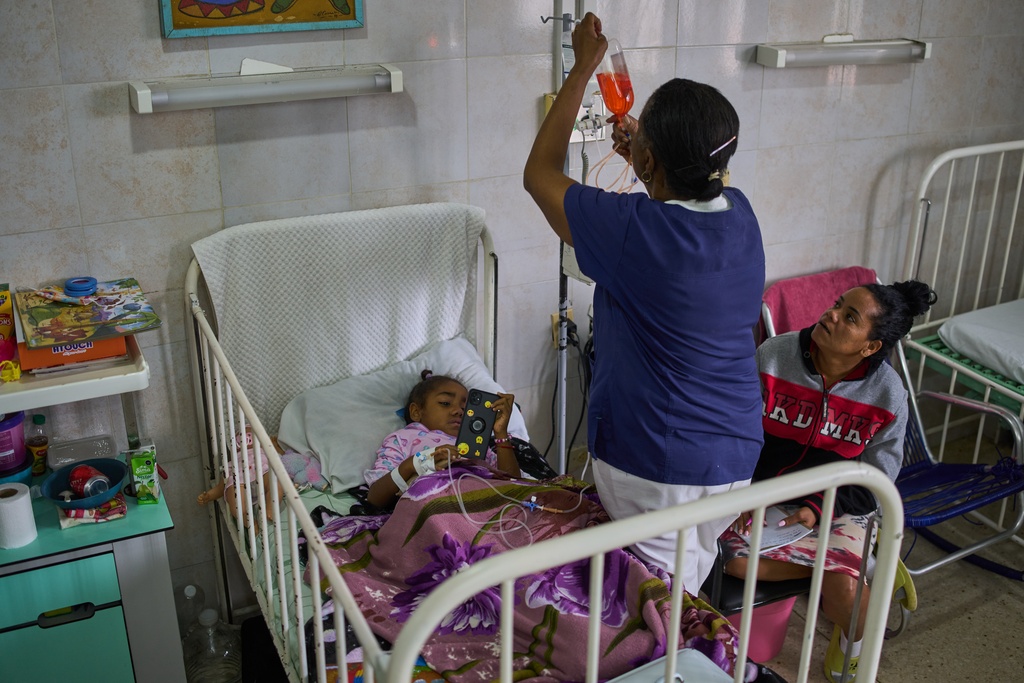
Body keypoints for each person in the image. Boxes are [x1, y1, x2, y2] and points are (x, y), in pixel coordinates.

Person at [523, 12, 766, 592]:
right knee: (686, 584)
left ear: (652, 162)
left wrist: (582, 67)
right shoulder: (740, 215)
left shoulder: (635, 230)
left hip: (658, 462)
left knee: (657, 609)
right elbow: (685, 198)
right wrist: (647, 160)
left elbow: (540, 174)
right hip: (733, 457)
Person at [721, 280, 936, 683]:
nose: (831, 314)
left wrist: (819, 508)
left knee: (845, 595)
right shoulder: (774, 355)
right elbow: (737, 433)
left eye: (849, 317)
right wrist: (743, 491)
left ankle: (854, 642)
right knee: (736, 564)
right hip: (765, 494)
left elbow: (877, 478)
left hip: (841, 503)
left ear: (870, 346)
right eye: (838, 304)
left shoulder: (887, 394)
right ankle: (855, 570)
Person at [364, 370, 522, 509]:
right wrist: (416, 463)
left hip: (484, 507)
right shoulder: (402, 439)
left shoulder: (476, 445)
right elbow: (375, 498)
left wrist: (501, 434)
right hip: (436, 509)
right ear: (416, 412)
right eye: (445, 403)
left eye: (465, 408)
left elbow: (515, 487)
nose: (458, 411)